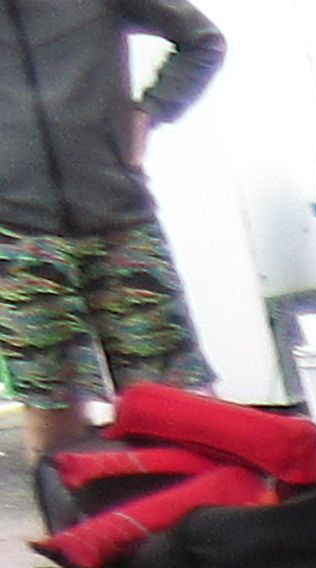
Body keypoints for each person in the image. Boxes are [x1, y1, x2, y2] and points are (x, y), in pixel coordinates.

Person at [0, 0, 224, 458]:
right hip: (16, 236)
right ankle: (68, 506)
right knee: (52, 409)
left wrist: (151, 111)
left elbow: (202, 41)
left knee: (170, 404)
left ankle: (188, 503)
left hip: (121, 220)